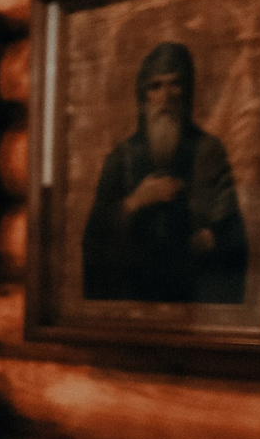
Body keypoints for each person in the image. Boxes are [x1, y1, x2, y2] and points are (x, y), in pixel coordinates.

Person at [81, 40, 248, 303]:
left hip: (193, 294)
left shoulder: (208, 151)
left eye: (175, 84)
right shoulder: (121, 156)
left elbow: (232, 233)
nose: (165, 97)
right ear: (143, 95)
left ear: (187, 90)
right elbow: (95, 238)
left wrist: (211, 238)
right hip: (134, 295)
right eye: (155, 86)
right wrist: (136, 201)